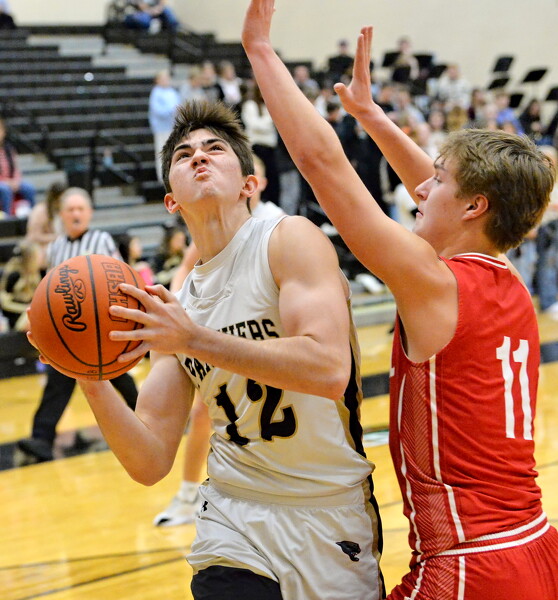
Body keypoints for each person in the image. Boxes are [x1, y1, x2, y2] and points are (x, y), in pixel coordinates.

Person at [242, 3, 558, 599]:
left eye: (437, 181)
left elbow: (320, 162)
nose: (420, 189)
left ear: (473, 207)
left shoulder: (434, 283)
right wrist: (370, 115)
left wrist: (260, 51)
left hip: (469, 563)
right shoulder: (506, 277)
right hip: (537, 548)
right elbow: (452, 198)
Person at [29, 101, 385, 599]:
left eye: (215, 149)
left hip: (327, 507)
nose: (198, 156)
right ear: (171, 201)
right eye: (183, 155)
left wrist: (194, 340)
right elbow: (149, 461)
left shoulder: (288, 241)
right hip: (232, 513)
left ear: (249, 184)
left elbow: (327, 369)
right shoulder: (175, 310)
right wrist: (89, 375)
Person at [153, 155, 284, 527]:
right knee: (202, 412)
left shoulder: (277, 223)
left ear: (253, 183)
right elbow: (185, 267)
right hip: (219, 327)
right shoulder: (216, 224)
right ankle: (188, 494)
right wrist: (178, 305)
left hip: (264, 332)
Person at [17, 187, 138, 465]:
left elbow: (119, 278)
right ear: (61, 214)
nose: (75, 214)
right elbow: (48, 290)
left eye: (80, 209)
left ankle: (146, 418)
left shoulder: (101, 239)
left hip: (101, 325)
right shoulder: (56, 246)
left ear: (89, 213)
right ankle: (41, 438)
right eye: (70, 209)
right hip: (67, 328)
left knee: (119, 376)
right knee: (57, 380)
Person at [0, 240, 42, 330]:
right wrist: (25, 308)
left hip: (26, 312)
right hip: (14, 315)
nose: (41, 258)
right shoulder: (15, 275)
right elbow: (5, 303)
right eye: (38, 256)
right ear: (30, 258)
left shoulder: (35, 274)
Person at [25, 181, 67, 270]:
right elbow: (33, 236)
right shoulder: (40, 211)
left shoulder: (65, 210)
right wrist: (57, 237)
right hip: (39, 247)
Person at [149, 69, 181, 182]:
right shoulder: (156, 92)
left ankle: (174, 175)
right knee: (162, 152)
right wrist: (170, 110)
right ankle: (162, 177)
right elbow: (157, 110)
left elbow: (179, 106)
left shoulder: (173, 92)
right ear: (157, 80)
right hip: (161, 128)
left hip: (173, 127)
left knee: (174, 151)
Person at [0, 118, 36, 218]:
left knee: (29, 188)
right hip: (3, 184)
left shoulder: (9, 149)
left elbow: (16, 169)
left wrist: (16, 181)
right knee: (5, 190)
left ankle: (33, 216)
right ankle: (7, 219)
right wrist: (6, 182)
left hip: (11, 181)